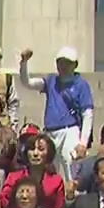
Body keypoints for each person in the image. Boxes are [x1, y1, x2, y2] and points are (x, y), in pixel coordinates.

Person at [19, 47, 94, 182]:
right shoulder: (51, 81)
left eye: (67, 63)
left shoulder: (81, 85)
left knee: (71, 170)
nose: (63, 66)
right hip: (50, 133)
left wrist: (83, 143)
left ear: (75, 65)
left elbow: (87, 114)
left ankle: (73, 200)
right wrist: (24, 63)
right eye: (60, 62)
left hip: (70, 130)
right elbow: (27, 83)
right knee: (49, 171)